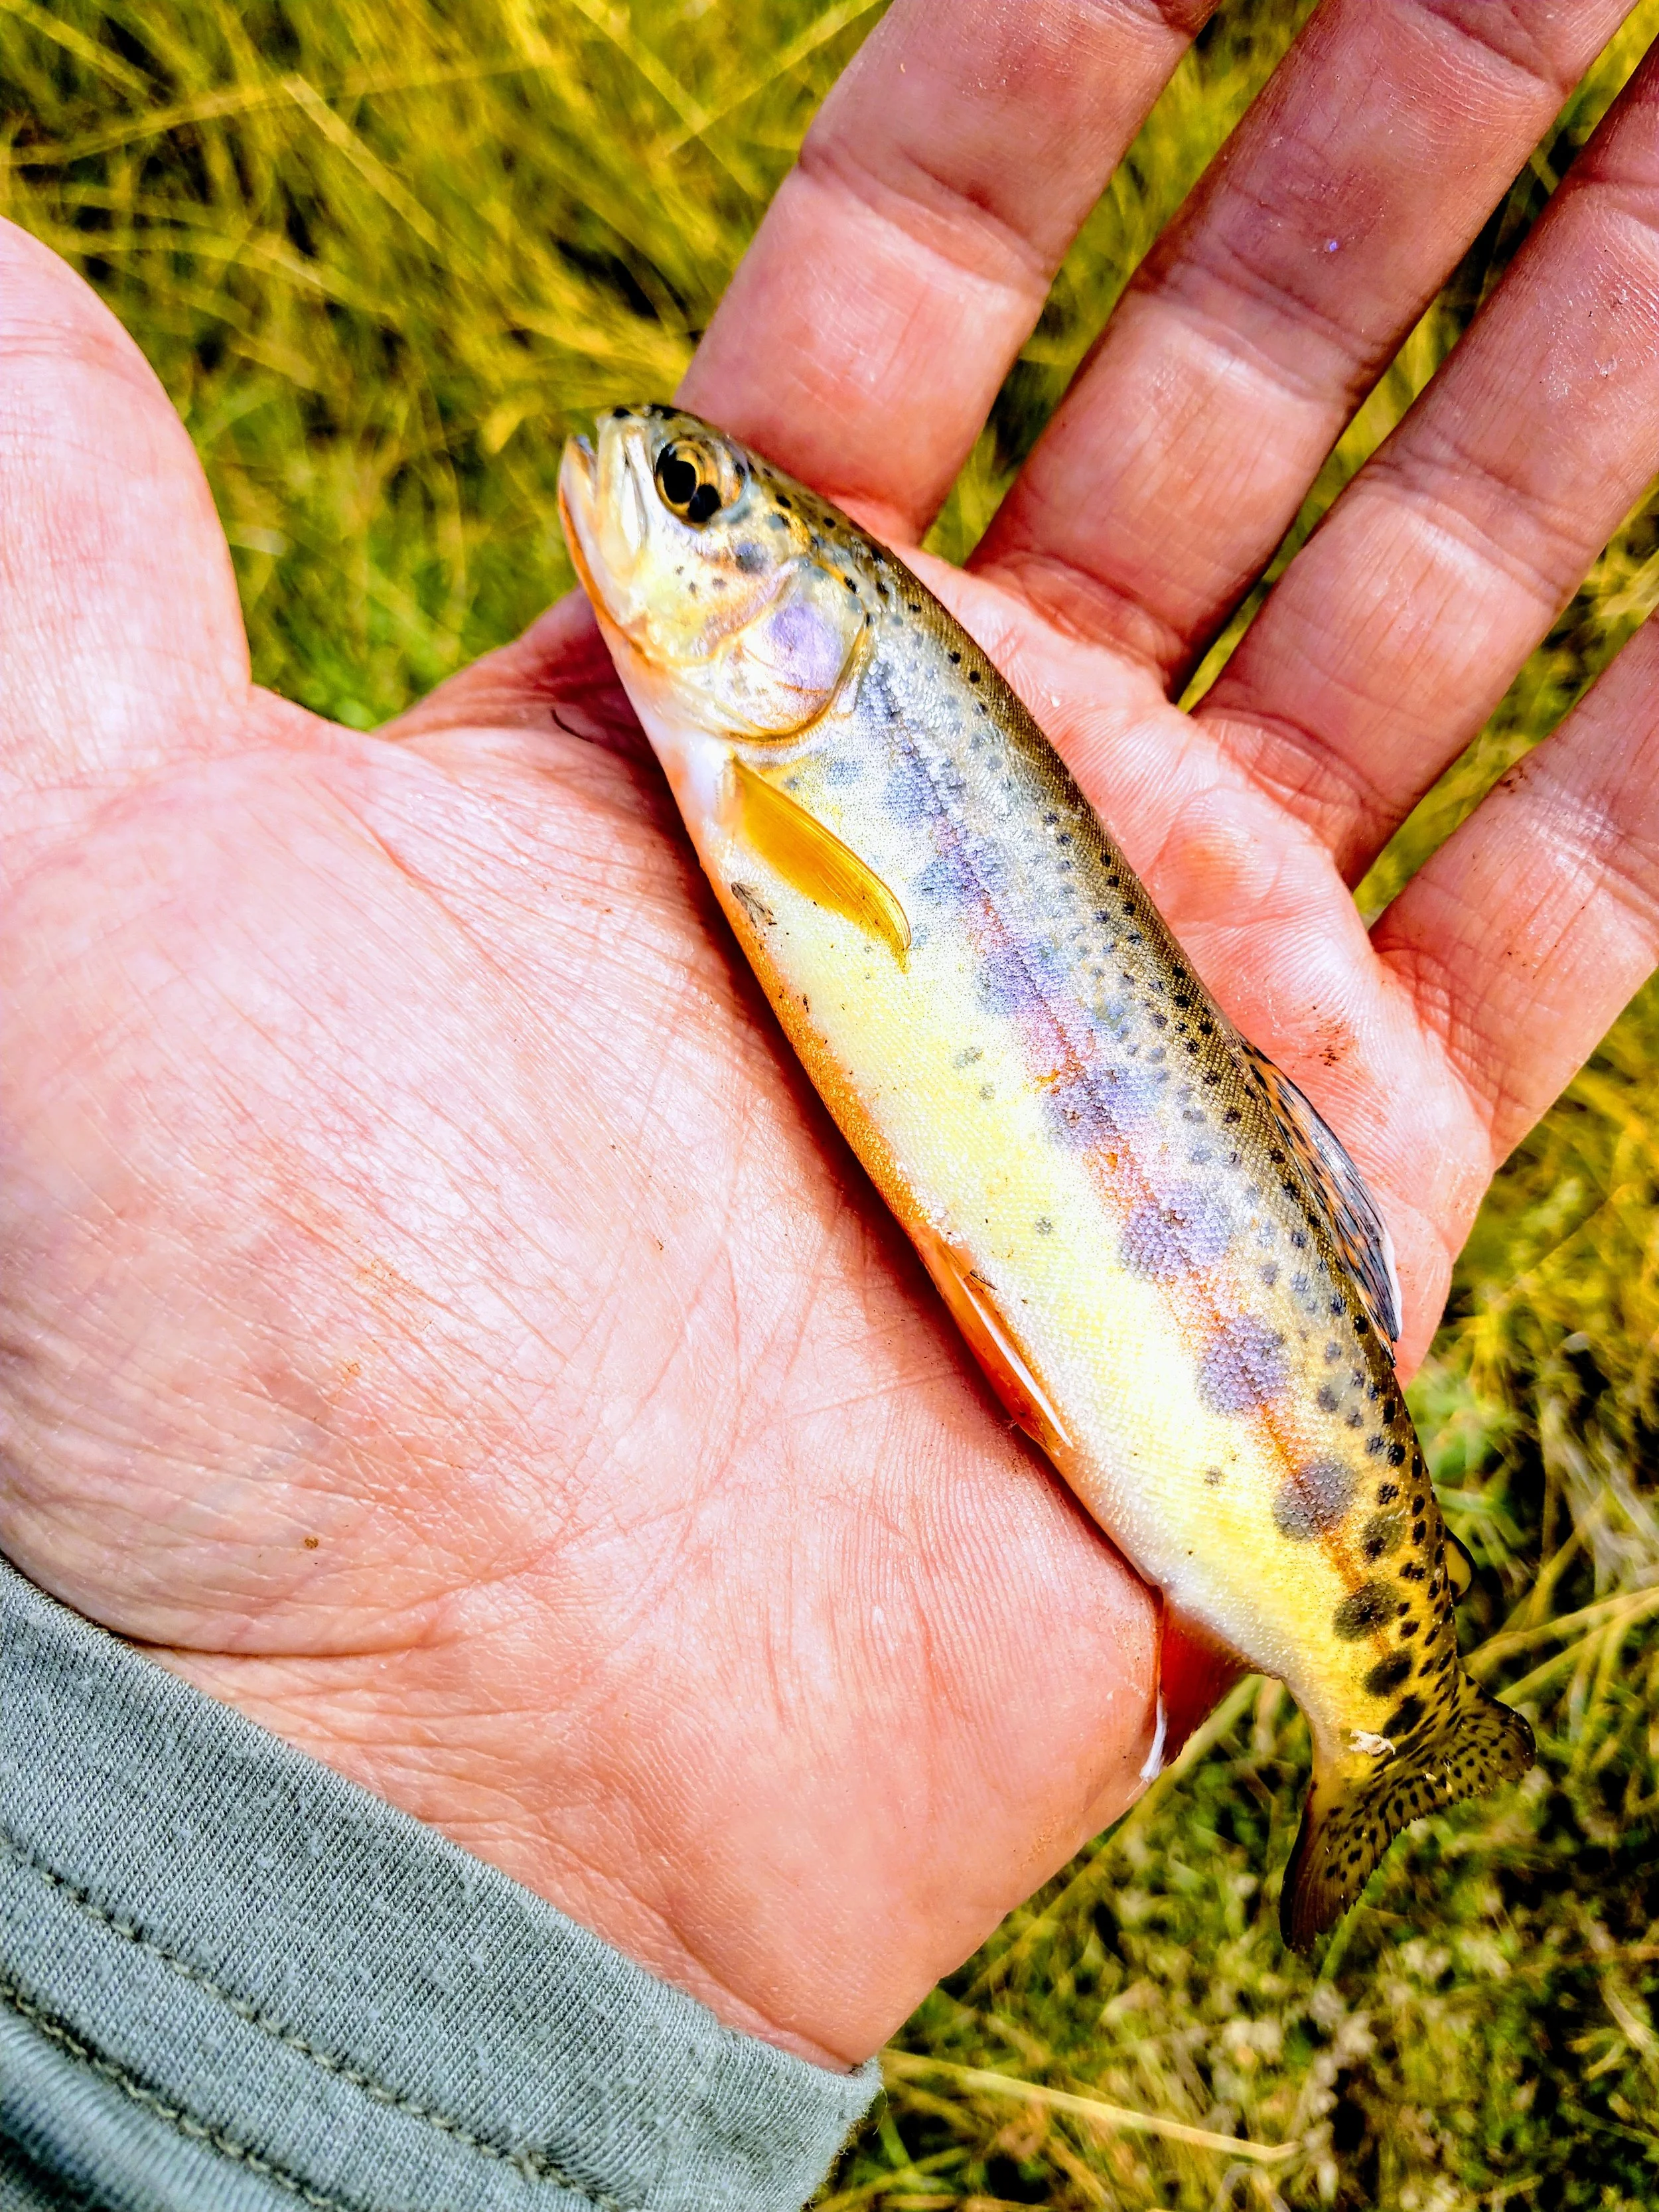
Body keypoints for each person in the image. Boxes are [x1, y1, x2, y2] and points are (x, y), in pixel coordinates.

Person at [5, 0, 1659, 2203]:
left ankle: (1390, 1685)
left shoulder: (808, 742)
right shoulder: (756, 738)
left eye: (696, 506)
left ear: (814, 636)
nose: (642, 486)